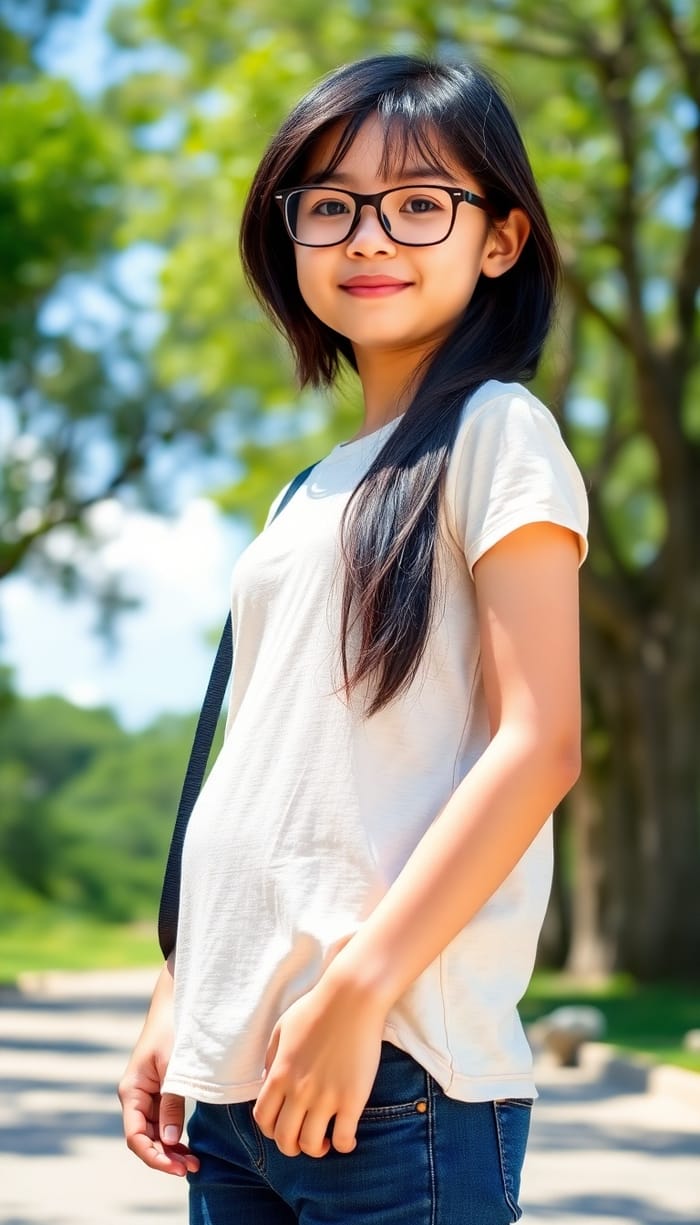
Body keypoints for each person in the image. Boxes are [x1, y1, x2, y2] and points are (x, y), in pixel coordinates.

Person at [119, 52, 589, 1224]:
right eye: (328, 205)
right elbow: (267, 769)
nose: (368, 236)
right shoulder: (304, 494)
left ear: (500, 239)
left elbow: (539, 747)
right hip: (241, 1076)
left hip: (392, 1070)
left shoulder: (499, 432)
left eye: (419, 203)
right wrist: (184, 990)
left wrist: (360, 990)